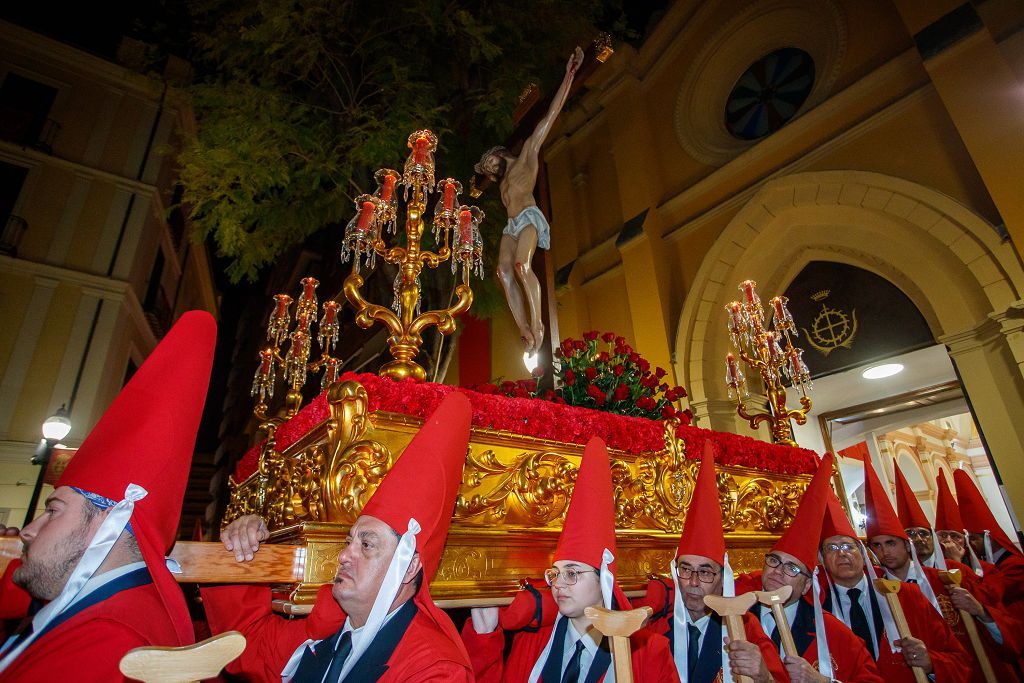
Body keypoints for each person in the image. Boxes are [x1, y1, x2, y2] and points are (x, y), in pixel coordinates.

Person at [0, 311, 217, 681]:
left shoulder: (108, 642)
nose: (28, 530)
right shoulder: (106, 615)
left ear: (108, 519)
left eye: (53, 511)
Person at [201, 392, 475, 682]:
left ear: (408, 567)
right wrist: (241, 546)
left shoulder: (434, 668)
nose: (344, 555)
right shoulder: (325, 633)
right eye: (348, 542)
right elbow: (246, 646)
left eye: (366, 545)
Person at [461, 436, 679, 682]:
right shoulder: (532, 643)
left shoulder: (648, 650)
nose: (558, 584)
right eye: (554, 574)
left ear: (603, 580)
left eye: (572, 573)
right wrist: (484, 634)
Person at [863, 460, 1019, 681]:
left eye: (891, 543)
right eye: (876, 546)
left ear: (906, 545)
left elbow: (1009, 632)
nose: (885, 552)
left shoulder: (951, 578)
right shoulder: (876, 589)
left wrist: (980, 611)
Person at [475, 46, 584, 355]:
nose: (491, 169)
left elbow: (549, 117)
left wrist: (569, 75)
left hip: (529, 218)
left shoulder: (526, 157)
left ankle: (537, 323)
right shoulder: (501, 185)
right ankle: (523, 326)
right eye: (488, 169)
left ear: (499, 152)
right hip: (512, 225)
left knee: (523, 266)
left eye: (491, 163)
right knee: (503, 272)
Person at [649, 442, 784, 682]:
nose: (692, 582)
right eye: (685, 569)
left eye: (705, 572)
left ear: (722, 578)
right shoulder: (656, 627)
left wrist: (764, 676)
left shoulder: (745, 626)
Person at [747, 453, 882, 683]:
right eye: (774, 561)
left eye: (792, 568)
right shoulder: (738, 620)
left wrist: (823, 682)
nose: (778, 571)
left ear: (808, 583)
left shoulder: (835, 633)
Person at [816, 490, 971, 682]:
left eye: (848, 546)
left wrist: (931, 662)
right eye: (831, 548)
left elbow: (958, 659)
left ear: (863, 553)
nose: (841, 554)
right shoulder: (818, 607)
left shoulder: (907, 595)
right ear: (822, 560)